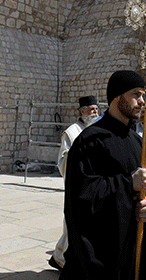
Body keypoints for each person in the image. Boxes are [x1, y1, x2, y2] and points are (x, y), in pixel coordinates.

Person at [61, 70, 146, 280]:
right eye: (136, 95)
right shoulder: (89, 141)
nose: (142, 101)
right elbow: (82, 198)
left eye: (144, 96)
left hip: (134, 255)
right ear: (117, 97)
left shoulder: (138, 141)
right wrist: (129, 184)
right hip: (104, 258)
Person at [49, 95, 101, 271]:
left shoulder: (99, 129)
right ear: (82, 111)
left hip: (96, 185)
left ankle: (62, 258)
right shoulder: (71, 132)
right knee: (75, 224)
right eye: (92, 109)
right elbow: (62, 160)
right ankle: (64, 260)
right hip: (78, 186)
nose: (95, 112)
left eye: (97, 109)